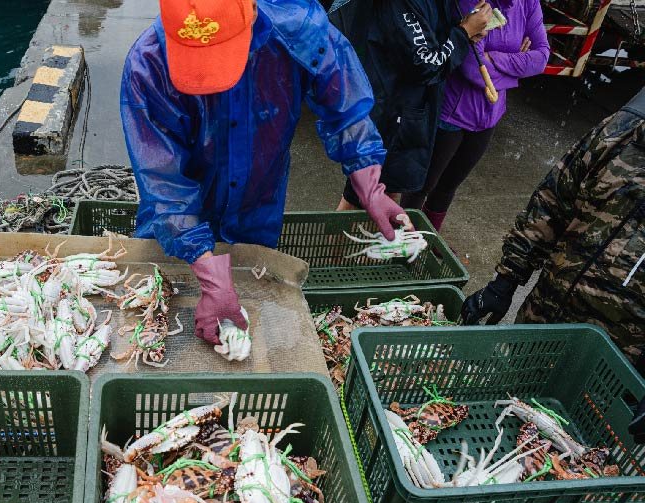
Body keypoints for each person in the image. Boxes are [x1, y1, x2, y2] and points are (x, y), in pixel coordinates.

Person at [121, 0, 406, 345]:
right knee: (157, 321)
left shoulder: (299, 32)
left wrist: (369, 179)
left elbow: (344, 101)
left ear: (251, 12)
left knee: (253, 320)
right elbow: (164, 182)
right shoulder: (147, 64)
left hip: (256, 208)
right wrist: (205, 268)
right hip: (174, 227)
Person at [461, 87, 644, 375]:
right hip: (541, 323)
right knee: (510, 399)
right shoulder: (625, 128)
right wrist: (506, 279)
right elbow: (553, 202)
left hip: (612, 367)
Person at [403, 0, 549, 230]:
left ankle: (427, 239)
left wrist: (495, 59)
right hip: (451, 113)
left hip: (489, 116)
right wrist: (515, 72)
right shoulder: (472, 3)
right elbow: (472, 69)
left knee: (449, 186)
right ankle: (402, 242)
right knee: (422, 185)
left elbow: (541, 58)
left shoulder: (528, 3)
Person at [337, 0, 493, 211]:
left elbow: (432, 42)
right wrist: (463, 33)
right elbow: (426, 64)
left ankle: (376, 243)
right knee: (360, 196)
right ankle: (335, 244)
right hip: (389, 114)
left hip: (411, 114)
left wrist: (465, 33)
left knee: (388, 193)